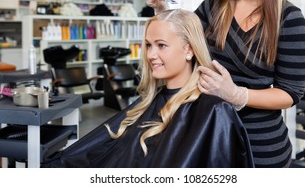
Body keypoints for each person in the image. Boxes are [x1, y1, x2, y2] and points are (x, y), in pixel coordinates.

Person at [139, 0, 305, 168]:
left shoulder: (290, 20)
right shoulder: (213, 6)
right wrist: (163, 9)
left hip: (261, 148)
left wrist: (237, 95)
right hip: (208, 138)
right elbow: (184, 41)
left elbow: (289, 93)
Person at [42, 9, 254, 168]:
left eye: (161, 45)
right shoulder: (148, 103)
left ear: (189, 50)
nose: (151, 55)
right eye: (149, 45)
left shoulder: (213, 111)